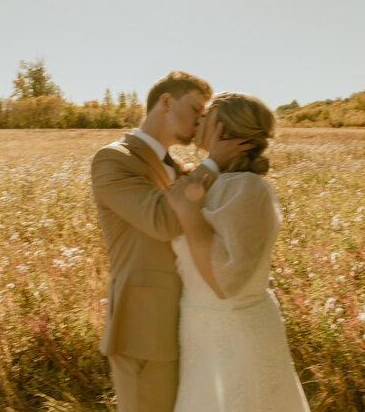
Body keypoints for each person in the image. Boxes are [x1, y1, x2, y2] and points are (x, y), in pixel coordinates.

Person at [91, 72, 251, 412]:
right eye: (196, 108)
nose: (200, 120)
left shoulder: (178, 169)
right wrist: (213, 163)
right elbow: (163, 222)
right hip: (144, 330)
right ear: (166, 102)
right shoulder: (113, 159)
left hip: (191, 323)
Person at [166, 92, 311, 412]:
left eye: (206, 116)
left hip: (234, 333)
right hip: (203, 330)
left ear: (225, 129)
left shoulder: (247, 189)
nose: (198, 120)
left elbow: (226, 283)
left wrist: (189, 216)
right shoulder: (216, 181)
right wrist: (212, 163)